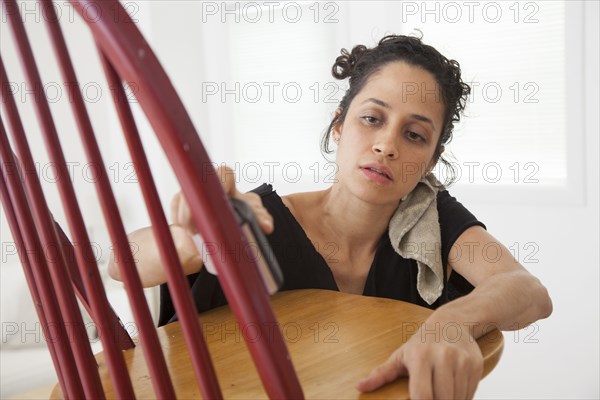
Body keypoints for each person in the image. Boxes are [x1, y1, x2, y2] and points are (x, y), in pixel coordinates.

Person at [109, 34, 553, 399]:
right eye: (372, 118)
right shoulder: (261, 217)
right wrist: (188, 240)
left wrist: (450, 323)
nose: (387, 145)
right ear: (339, 126)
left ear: (431, 162)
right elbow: (121, 261)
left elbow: (526, 290)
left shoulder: (431, 219)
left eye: (415, 134)